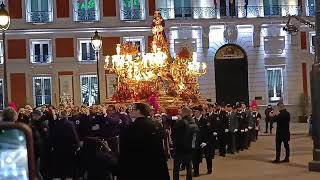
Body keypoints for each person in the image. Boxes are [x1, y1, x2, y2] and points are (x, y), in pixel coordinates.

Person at [119, 103, 170, 180]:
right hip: (155, 163)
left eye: (132, 109)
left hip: (139, 164)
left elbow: (126, 149)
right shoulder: (156, 124)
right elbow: (162, 138)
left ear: (138, 111)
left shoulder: (132, 127)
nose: (130, 111)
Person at [51, 109, 80, 180]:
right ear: (66, 115)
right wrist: (77, 145)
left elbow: (53, 136)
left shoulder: (56, 124)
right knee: (72, 164)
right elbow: (74, 135)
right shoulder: (70, 123)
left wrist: (53, 146)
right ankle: (75, 178)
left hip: (59, 147)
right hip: (69, 147)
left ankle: (63, 178)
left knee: (61, 165)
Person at [172, 107, 196, 180]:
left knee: (176, 167)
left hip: (179, 148)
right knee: (188, 166)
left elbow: (173, 133)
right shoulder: (193, 121)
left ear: (184, 113)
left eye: (181, 112)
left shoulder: (181, 122)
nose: (180, 113)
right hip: (189, 147)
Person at [192, 106, 212, 176]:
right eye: (194, 112)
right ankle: (196, 172)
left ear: (200, 112)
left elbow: (209, 132)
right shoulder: (192, 120)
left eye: (196, 112)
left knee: (208, 157)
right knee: (195, 158)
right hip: (196, 142)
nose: (195, 113)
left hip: (205, 142)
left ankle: (209, 170)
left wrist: (206, 142)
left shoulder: (205, 120)